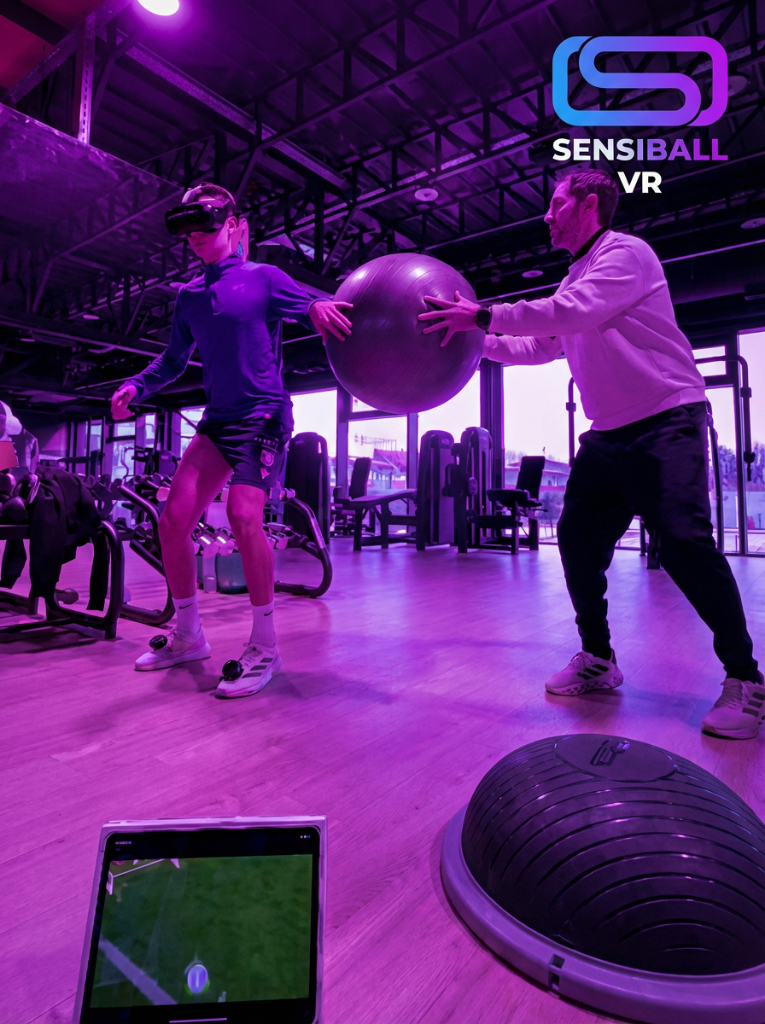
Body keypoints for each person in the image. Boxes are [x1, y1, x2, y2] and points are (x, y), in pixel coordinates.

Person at [418, 167, 763, 740]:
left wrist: (481, 314)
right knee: (577, 541)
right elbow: (540, 344)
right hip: (608, 433)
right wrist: (473, 341)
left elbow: (569, 314)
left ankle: (746, 679)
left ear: (589, 204)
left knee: (683, 545)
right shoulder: (577, 277)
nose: (547, 215)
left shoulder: (624, 255)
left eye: (556, 203)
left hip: (665, 417)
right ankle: (599, 661)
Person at [111, 183, 352, 698]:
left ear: (233, 225)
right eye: (190, 230)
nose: (197, 237)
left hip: (264, 415)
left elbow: (308, 303)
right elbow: (174, 360)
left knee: (244, 516)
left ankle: (265, 645)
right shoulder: (189, 296)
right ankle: (188, 635)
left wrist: (315, 309)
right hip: (219, 420)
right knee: (174, 520)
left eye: (207, 226)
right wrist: (137, 385)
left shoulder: (262, 278)